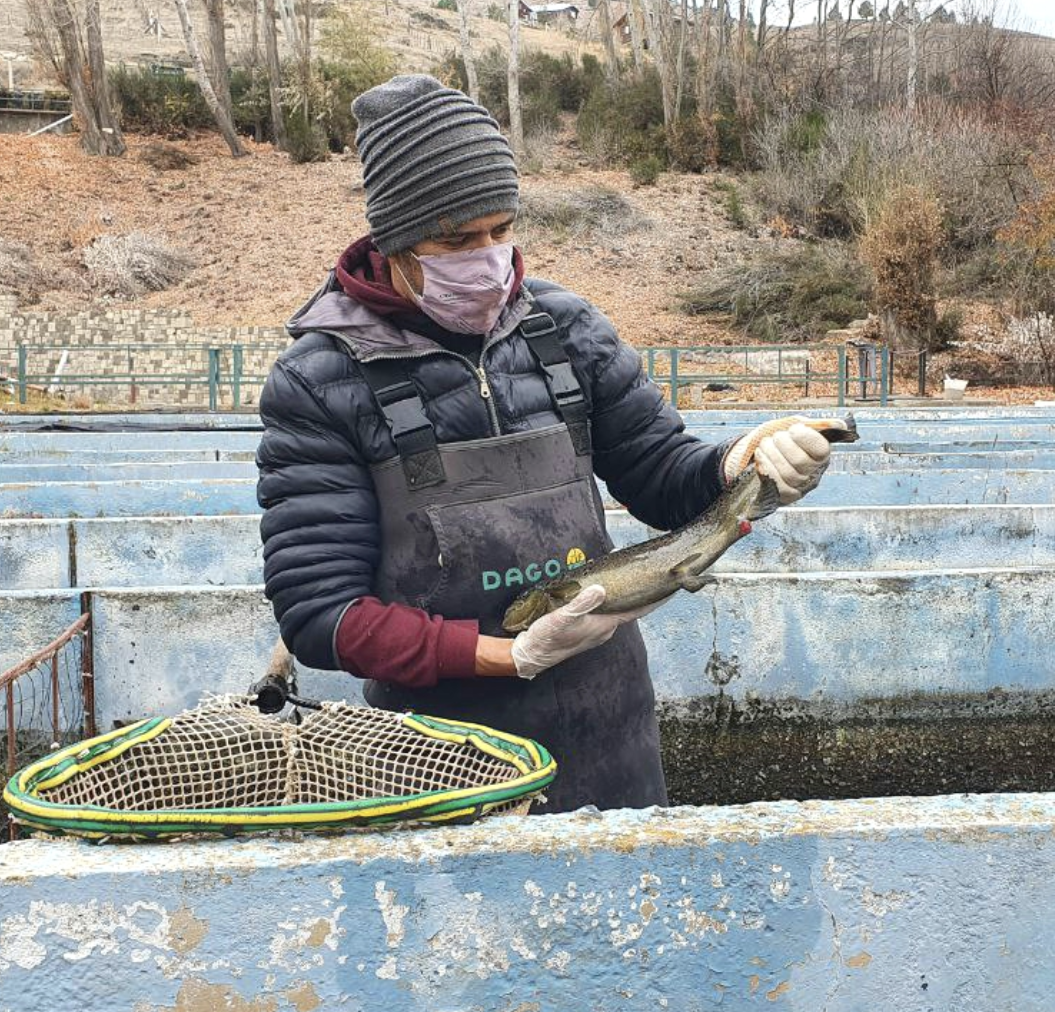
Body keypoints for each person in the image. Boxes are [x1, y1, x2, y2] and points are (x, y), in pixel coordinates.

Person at [256, 75, 836, 813]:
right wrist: (508, 656)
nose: (489, 258)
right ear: (393, 240)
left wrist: (748, 465)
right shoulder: (320, 380)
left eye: (502, 229)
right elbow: (320, 614)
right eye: (457, 240)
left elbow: (664, 477)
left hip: (613, 737)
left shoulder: (563, 330)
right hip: (438, 766)